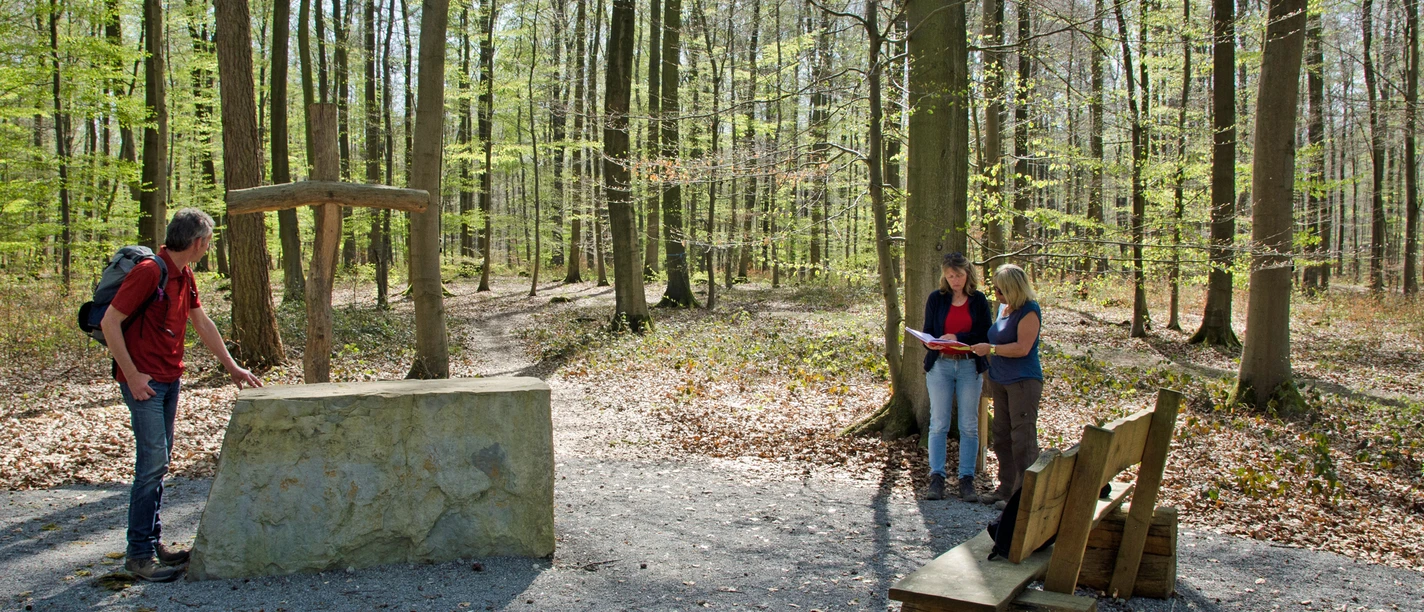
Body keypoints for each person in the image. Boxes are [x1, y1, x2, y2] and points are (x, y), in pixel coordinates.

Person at [100, 208, 264, 582]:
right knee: (151, 464)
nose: (208, 247)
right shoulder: (149, 272)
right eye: (208, 241)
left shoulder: (183, 274)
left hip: (169, 380)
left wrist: (232, 367)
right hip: (144, 384)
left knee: (160, 462)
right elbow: (111, 322)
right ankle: (138, 556)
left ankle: (151, 542)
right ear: (197, 242)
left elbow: (201, 322)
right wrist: (132, 375)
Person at [917, 253, 993, 502]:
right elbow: (928, 332)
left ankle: (966, 479)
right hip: (941, 366)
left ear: (967, 274)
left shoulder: (979, 300)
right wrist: (934, 344)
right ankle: (936, 477)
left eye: (959, 275)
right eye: (950, 276)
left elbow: (985, 334)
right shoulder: (936, 299)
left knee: (969, 426)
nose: (955, 281)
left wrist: (958, 338)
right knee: (938, 423)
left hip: (969, 366)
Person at [971, 264, 1042, 509]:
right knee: (1001, 436)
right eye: (996, 290)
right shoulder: (1004, 309)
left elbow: (1022, 348)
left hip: (1023, 381)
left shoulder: (1029, 311)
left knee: (1022, 437)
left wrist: (991, 349)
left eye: (1001, 291)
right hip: (1000, 380)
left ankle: (1023, 496)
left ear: (1013, 289)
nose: (997, 294)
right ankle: (1005, 488)